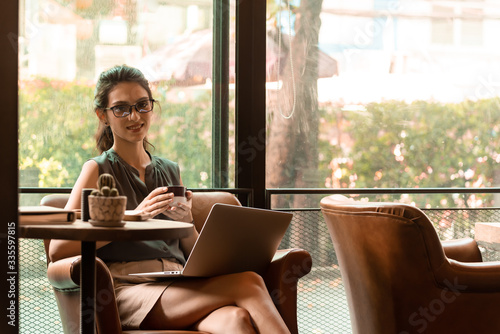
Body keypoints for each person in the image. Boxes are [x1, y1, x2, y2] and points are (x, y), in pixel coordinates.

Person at [48, 64, 290, 334]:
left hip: (178, 282)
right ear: (103, 115)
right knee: (249, 283)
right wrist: (133, 218)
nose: (134, 116)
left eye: (142, 105)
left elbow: (190, 250)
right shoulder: (97, 169)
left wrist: (187, 222)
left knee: (236, 320)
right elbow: (58, 249)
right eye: (121, 108)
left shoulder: (170, 170)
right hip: (129, 291)